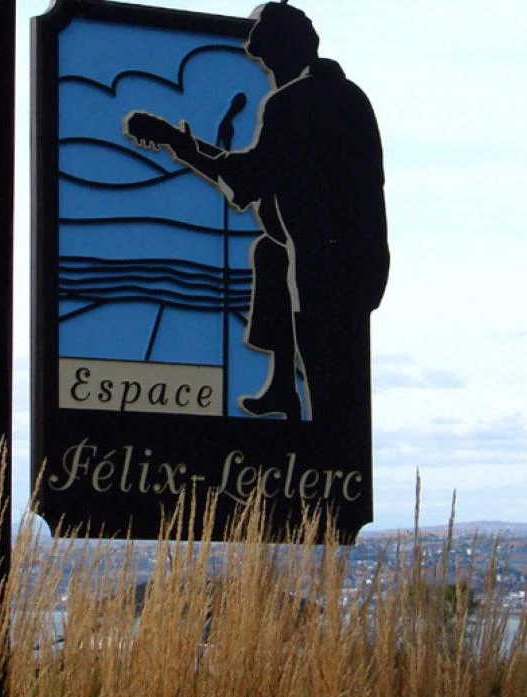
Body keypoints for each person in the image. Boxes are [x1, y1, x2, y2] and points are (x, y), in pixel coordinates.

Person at [124, 2, 389, 428]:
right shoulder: (351, 96)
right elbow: (279, 176)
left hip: (324, 270)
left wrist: (179, 144)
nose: (266, 69)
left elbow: (249, 179)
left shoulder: (292, 103)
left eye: (267, 59)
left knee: (332, 404)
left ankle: (320, 442)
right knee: (271, 254)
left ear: (285, 51)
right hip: (361, 262)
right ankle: (283, 383)